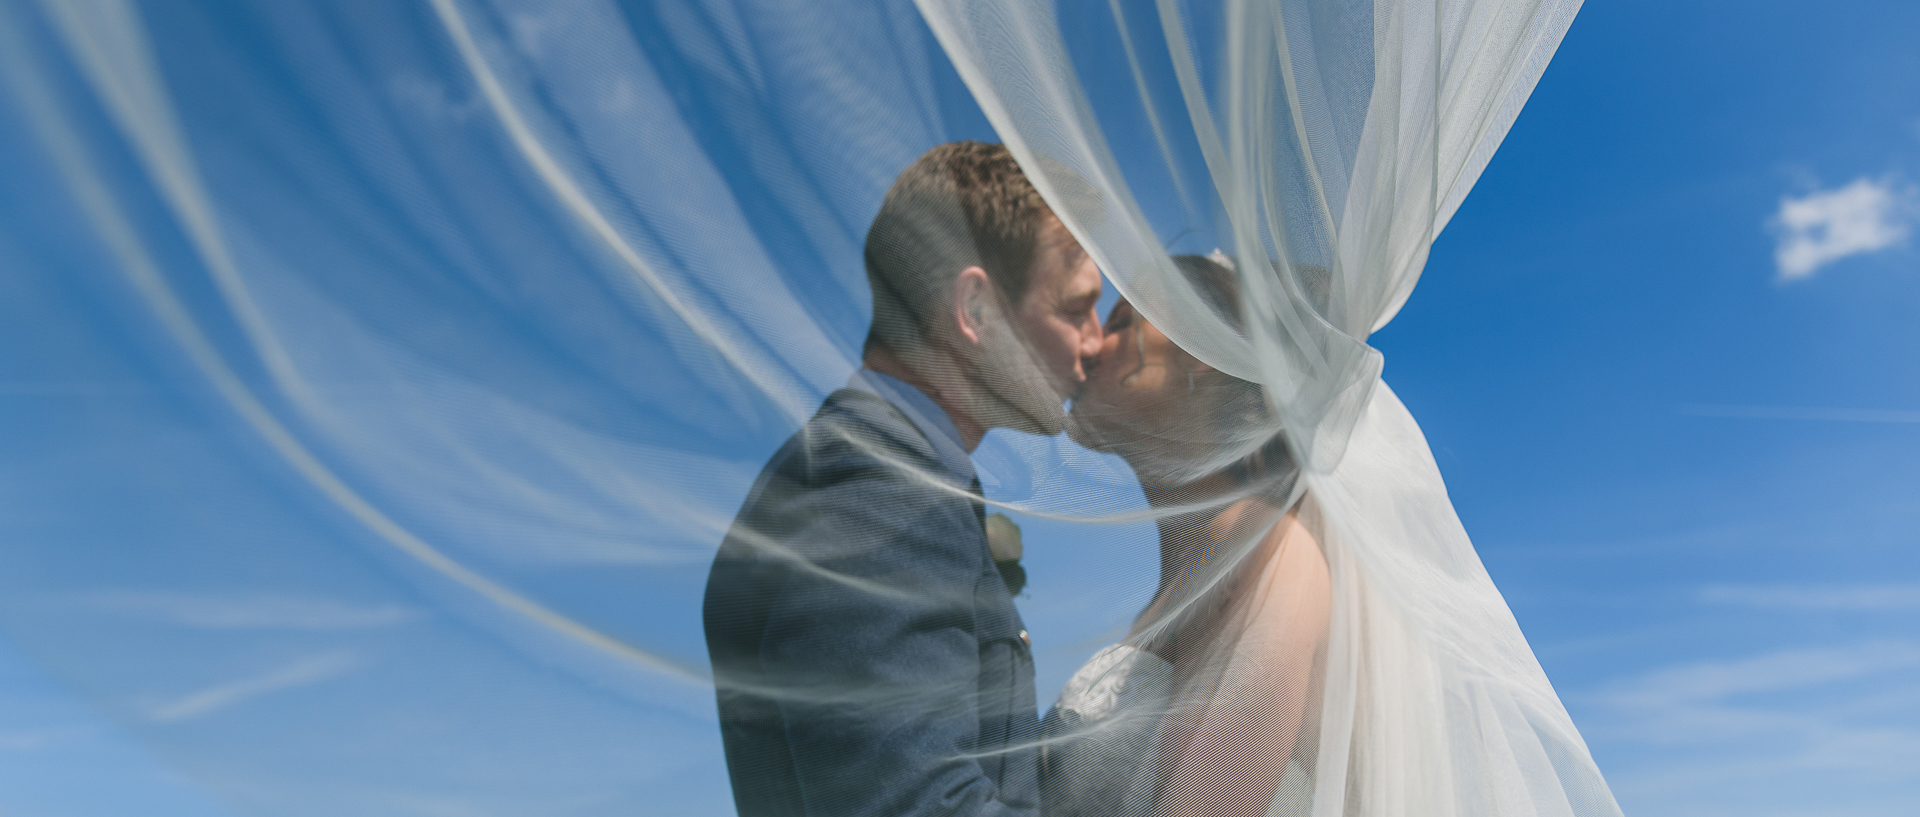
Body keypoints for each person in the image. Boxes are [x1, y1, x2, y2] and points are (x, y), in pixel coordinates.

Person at [703, 141, 1104, 817]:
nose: (1092, 339)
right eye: (1074, 307)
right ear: (974, 310)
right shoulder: (878, 490)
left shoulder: (882, 469)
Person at [1043, 254, 1332, 817]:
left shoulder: (1271, 553)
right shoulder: (1182, 578)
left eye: (1125, 322)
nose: (1094, 344)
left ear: (1203, 359)